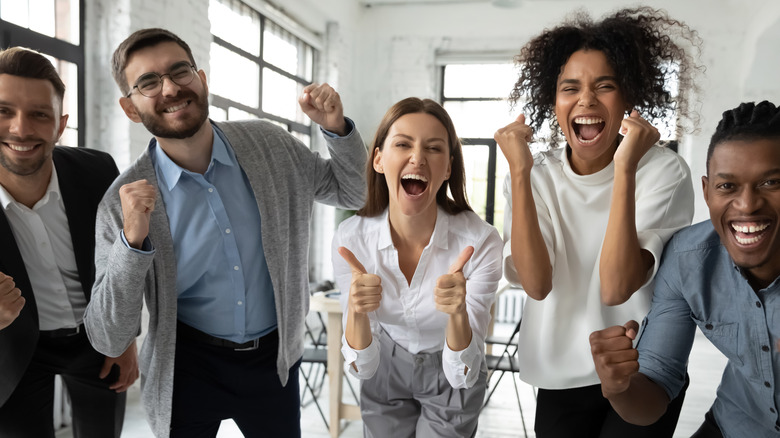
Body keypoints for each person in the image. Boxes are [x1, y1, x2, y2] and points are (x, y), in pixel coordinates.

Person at [83, 28, 367, 438]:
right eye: (148, 82)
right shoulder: (120, 203)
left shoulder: (269, 145)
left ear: (202, 79)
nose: (170, 88)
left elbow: (352, 189)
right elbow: (109, 334)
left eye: (180, 72)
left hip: (274, 360)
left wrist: (336, 130)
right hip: (188, 366)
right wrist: (132, 242)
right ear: (130, 108)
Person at [495, 7, 701, 437]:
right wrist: (518, 171)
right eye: (570, 88)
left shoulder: (664, 172)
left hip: (642, 366)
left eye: (604, 86)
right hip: (559, 369)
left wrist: (624, 170)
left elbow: (616, 286)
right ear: (553, 103)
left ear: (629, 99)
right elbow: (535, 284)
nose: (586, 99)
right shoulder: (535, 174)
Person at [590, 100, 780, 438]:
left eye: (771, 183)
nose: (748, 205)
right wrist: (619, 386)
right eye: (728, 186)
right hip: (736, 424)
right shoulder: (688, 259)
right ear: (707, 192)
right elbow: (653, 397)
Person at [332, 97, 503, 437]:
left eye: (434, 148)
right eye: (403, 144)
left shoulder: (479, 242)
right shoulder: (351, 239)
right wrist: (356, 312)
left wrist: (457, 314)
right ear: (379, 159)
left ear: (449, 168)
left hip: (450, 362)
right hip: (384, 362)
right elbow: (362, 368)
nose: (418, 158)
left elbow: (461, 375)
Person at [0, 47, 138, 438]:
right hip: (12, 350)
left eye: (39, 114)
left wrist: (124, 336)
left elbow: (119, 262)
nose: (20, 129)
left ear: (60, 125)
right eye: (3, 111)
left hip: (96, 340)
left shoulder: (98, 170)